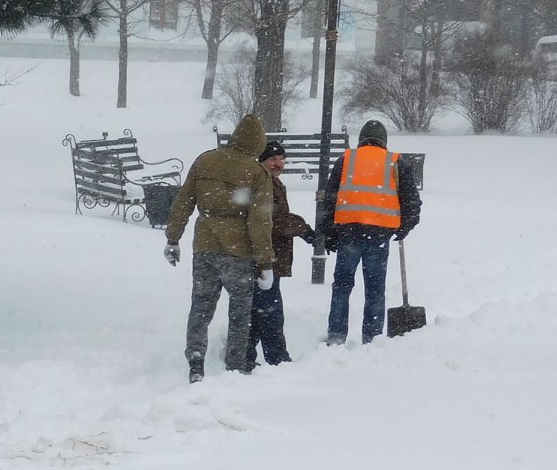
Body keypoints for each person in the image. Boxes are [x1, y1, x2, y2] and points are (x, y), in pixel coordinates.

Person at [163, 116, 274, 382]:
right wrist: (266, 261)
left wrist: (173, 238)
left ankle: (196, 362)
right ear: (258, 144)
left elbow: (183, 202)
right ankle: (234, 367)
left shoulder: (205, 161)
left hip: (204, 246)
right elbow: (259, 221)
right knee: (239, 311)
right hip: (239, 252)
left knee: (200, 305)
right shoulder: (257, 173)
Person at [316, 118, 422, 346]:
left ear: (361, 139)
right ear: (383, 141)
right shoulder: (395, 162)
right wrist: (405, 227)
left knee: (342, 287)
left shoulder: (346, 160)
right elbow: (412, 202)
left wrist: (329, 234)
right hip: (379, 234)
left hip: (348, 233)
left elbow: (329, 200)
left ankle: (336, 335)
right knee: (375, 289)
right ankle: (372, 337)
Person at [249, 139, 317, 368]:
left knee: (259, 311)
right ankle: (277, 359)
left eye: (281, 160)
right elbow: (273, 220)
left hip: (269, 258)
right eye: (272, 159)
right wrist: (304, 229)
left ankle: (246, 356)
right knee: (269, 311)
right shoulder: (263, 182)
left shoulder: (273, 182)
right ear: (262, 161)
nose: (278, 164)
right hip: (264, 258)